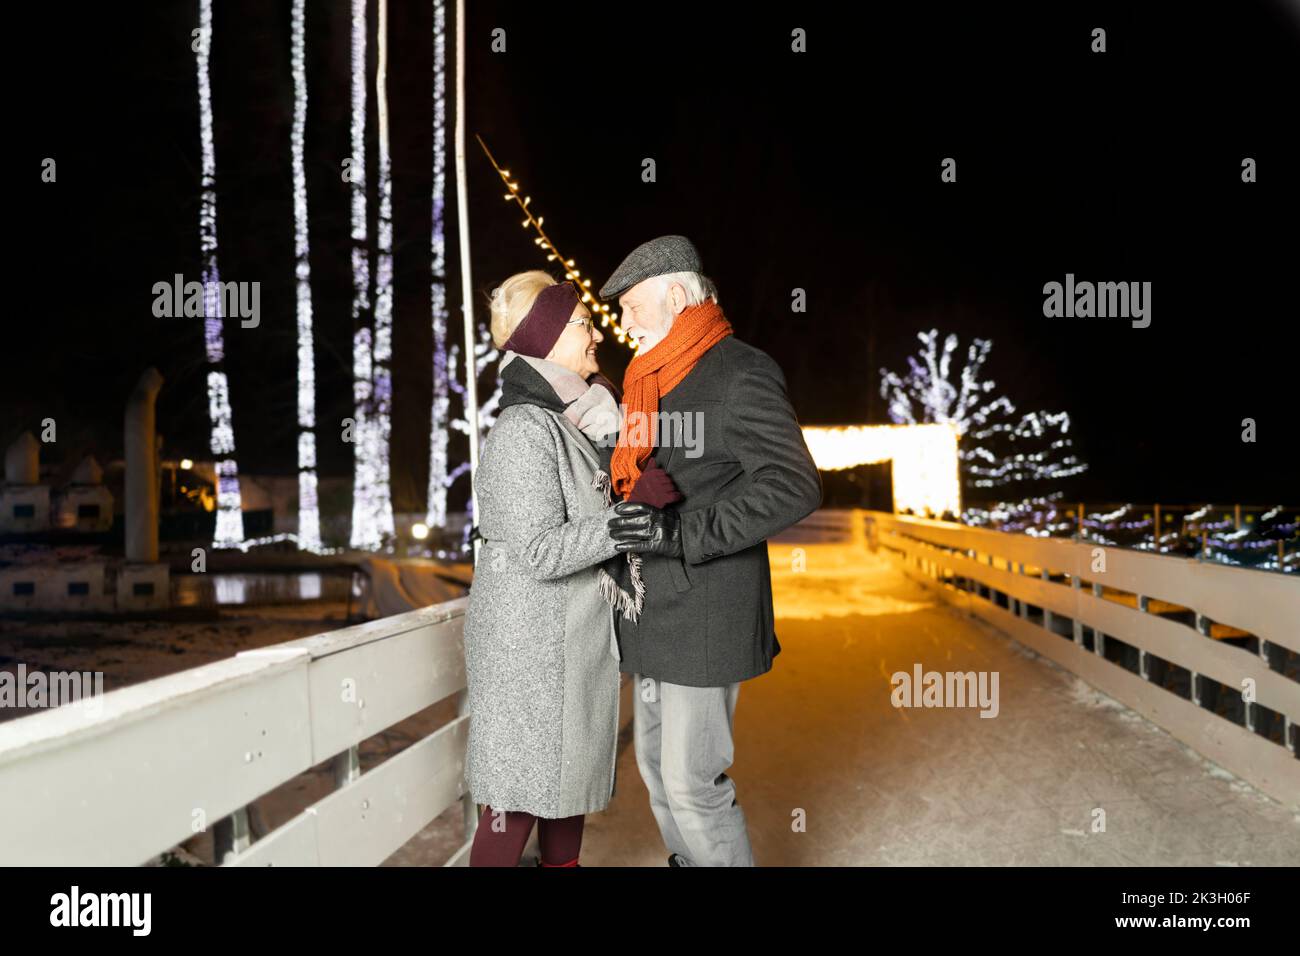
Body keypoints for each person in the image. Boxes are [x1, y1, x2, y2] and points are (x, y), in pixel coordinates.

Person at [600, 235, 823, 866]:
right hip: (651, 607)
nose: (624, 323)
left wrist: (684, 533)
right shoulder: (647, 380)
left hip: (707, 608)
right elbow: (636, 475)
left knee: (692, 781)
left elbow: (794, 484)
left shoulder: (740, 372)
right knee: (653, 768)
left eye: (632, 306)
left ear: (675, 295)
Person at [462, 270, 672, 867]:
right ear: (548, 337)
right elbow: (539, 550)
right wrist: (630, 515)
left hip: (567, 643)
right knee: (518, 802)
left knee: (562, 794)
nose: (596, 335)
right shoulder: (522, 432)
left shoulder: (570, 421)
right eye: (582, 323)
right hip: (531, 654)